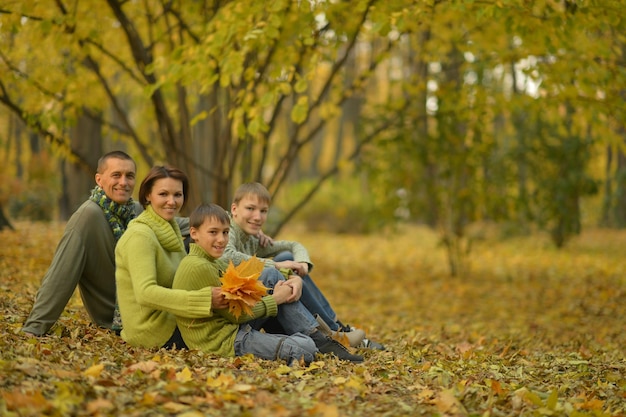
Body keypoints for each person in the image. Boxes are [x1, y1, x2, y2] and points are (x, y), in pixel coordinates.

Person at [173, 203, 367, 365]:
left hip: (233, 328)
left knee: (272, 275)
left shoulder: (212, 260)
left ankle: (320, 339)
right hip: (225, 341)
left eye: (225, 232)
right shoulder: (198, 267)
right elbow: (235, 317)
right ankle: (310, 339)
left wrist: (291, 276)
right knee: (305, 348)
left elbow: (252, 271)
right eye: (213, 232)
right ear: (194, 233)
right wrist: (276, 299)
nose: (221, 239)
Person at [223, 182, 385, 350]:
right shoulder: (225, 230)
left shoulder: (253, 237)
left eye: (263, 211)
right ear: (234, 209)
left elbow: (293, 246)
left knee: (287, 257)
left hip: (257, 305)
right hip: (239, 314)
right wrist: (278, 265)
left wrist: (302, 264)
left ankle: (337, 329)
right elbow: (229, 256)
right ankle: (335, 333)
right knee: (277, 269)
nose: (257, 217)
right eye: (250, 209)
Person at [22, 151, 137, 336]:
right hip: (121, 323)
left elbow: (173, 226)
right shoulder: (87, 218)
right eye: (116, 175)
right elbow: (59, 277)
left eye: (129, 176)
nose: (123, 182)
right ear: (99, 180)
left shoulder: (134, 211)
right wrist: (33, 328)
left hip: (147, 309)